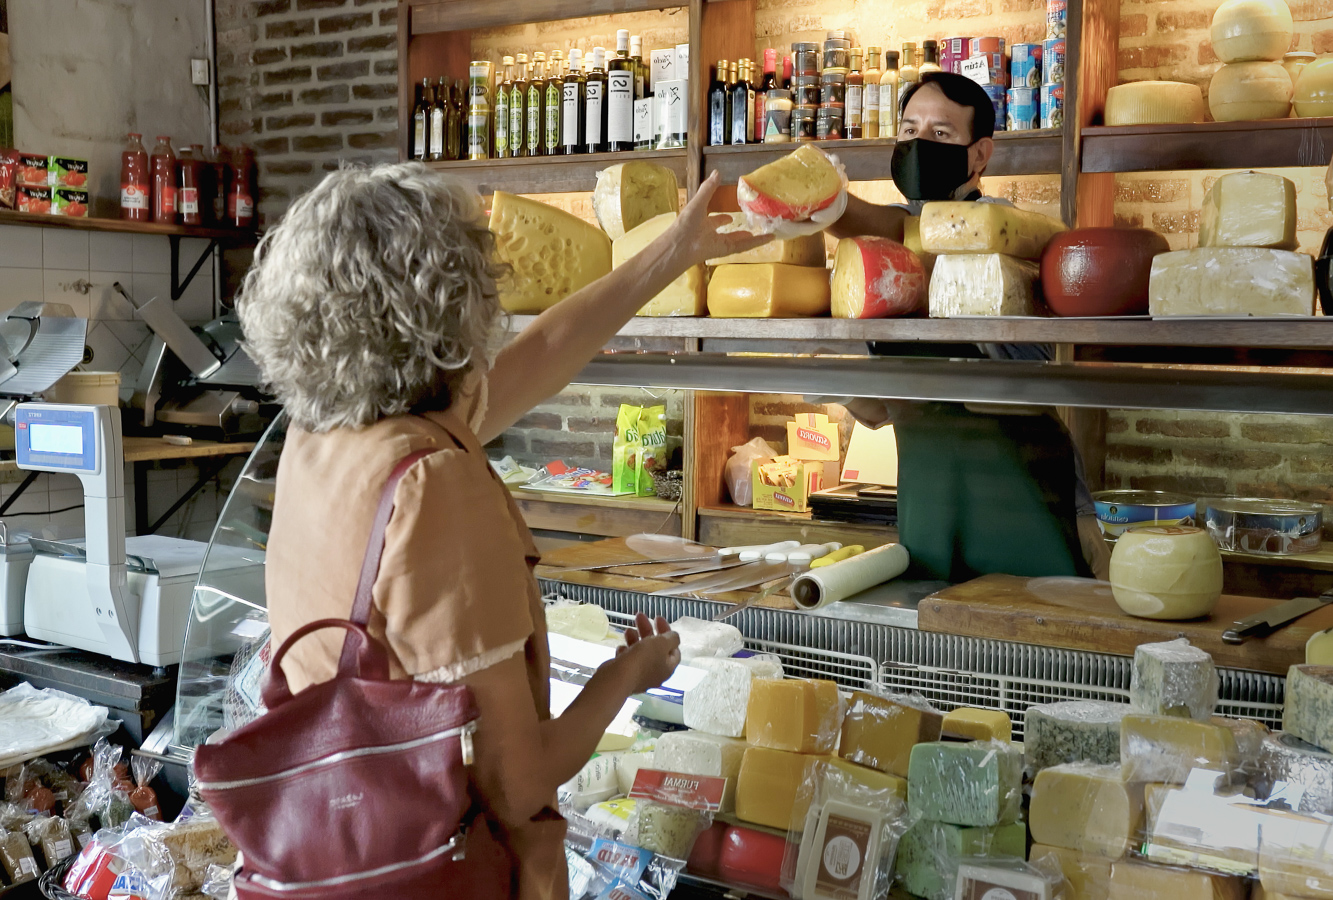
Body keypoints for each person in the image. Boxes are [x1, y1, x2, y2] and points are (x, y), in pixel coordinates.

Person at [236, 162, 769, 900]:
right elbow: (521, 784)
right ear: (453, 302)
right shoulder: (435, 485)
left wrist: (674, 249)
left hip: (342, 842)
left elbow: (546, 353)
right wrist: (627, 676)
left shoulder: (325, 432)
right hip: (450, 870)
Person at [828, 72, 1110, 582]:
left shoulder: (1009, 236)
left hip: (1022, 487)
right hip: (930, 491)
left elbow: (906, 236)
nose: (918, 146)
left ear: (980, 154)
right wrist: (830, 383)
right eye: (909, 131)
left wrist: (829, 204)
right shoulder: (878, 260)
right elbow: (885, 409)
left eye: (939, 135)